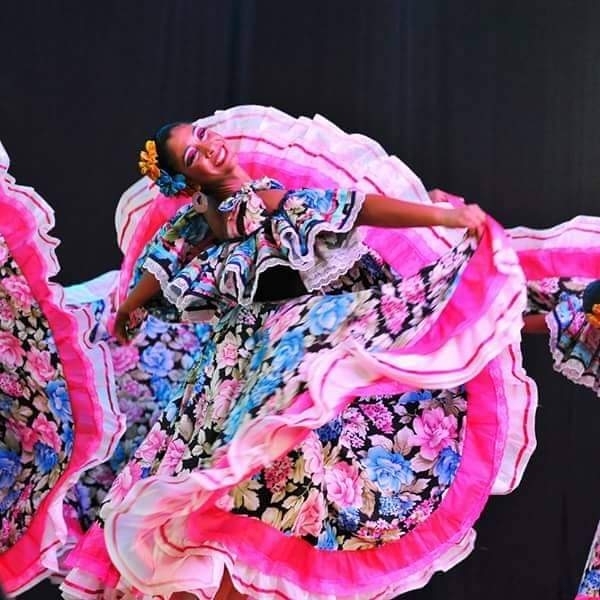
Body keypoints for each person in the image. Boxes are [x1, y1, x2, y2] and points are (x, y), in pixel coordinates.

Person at [60, 106, 535, 600]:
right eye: (193, 155)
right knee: (257, 469)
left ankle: (229, 566)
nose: (208, 147)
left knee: (245, 472)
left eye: (202, 136)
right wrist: (444, 216)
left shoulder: (207, 213)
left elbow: (163, 263)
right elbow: (358, 207)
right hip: (276, 350)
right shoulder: (252, 202)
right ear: (188, 179)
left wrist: (128, 307)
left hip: (256, 355)